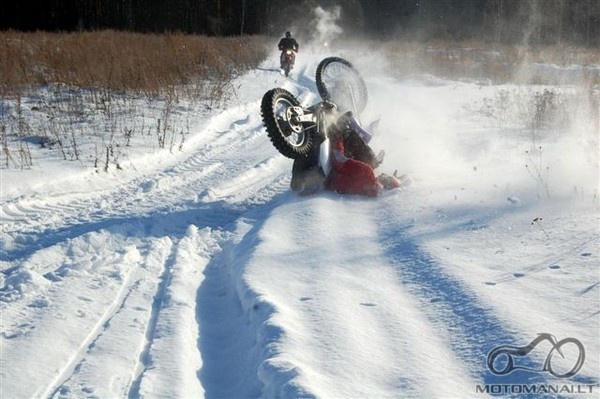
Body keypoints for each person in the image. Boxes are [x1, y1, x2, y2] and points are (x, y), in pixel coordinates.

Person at [290, 111, 404, 196]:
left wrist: (338, 138)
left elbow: (339, 161)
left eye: (385, 176)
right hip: (320, 181)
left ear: (385, 181)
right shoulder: (371, 190)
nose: (383, 174)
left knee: (327, 132)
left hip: (326, 172)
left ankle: (302, 119)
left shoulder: (368, 174)